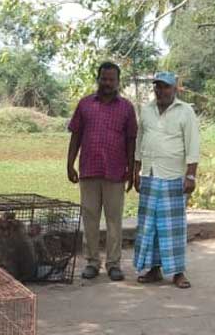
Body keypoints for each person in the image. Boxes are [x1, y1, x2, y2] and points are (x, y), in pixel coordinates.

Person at [67, 62, 138, 281]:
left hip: (116, 172)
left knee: (114, 219)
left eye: (111, 79)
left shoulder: (126, 107)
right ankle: (91, 262)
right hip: (89, 170)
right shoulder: (85, 104)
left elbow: (131, 140)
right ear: (98, 79)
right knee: (90, 217)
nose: (107, 83)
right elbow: (76, 135)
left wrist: (131, 170)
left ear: (118, 82)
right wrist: (69, 164)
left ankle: (114, 264)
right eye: (104, 79)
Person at [133, 71, 200, 289]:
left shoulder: (185, 111)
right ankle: (154, 269)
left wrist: (191, 175)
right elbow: (139, 142)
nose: (161, 91)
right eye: (158, 87)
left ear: (175, 89)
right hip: (150, 174)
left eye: (165, 87)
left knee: (173, 228)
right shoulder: (146, 110)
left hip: (174, 177)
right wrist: (136, 171)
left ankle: (178, 272)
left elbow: (192, 145)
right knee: (149, 226)